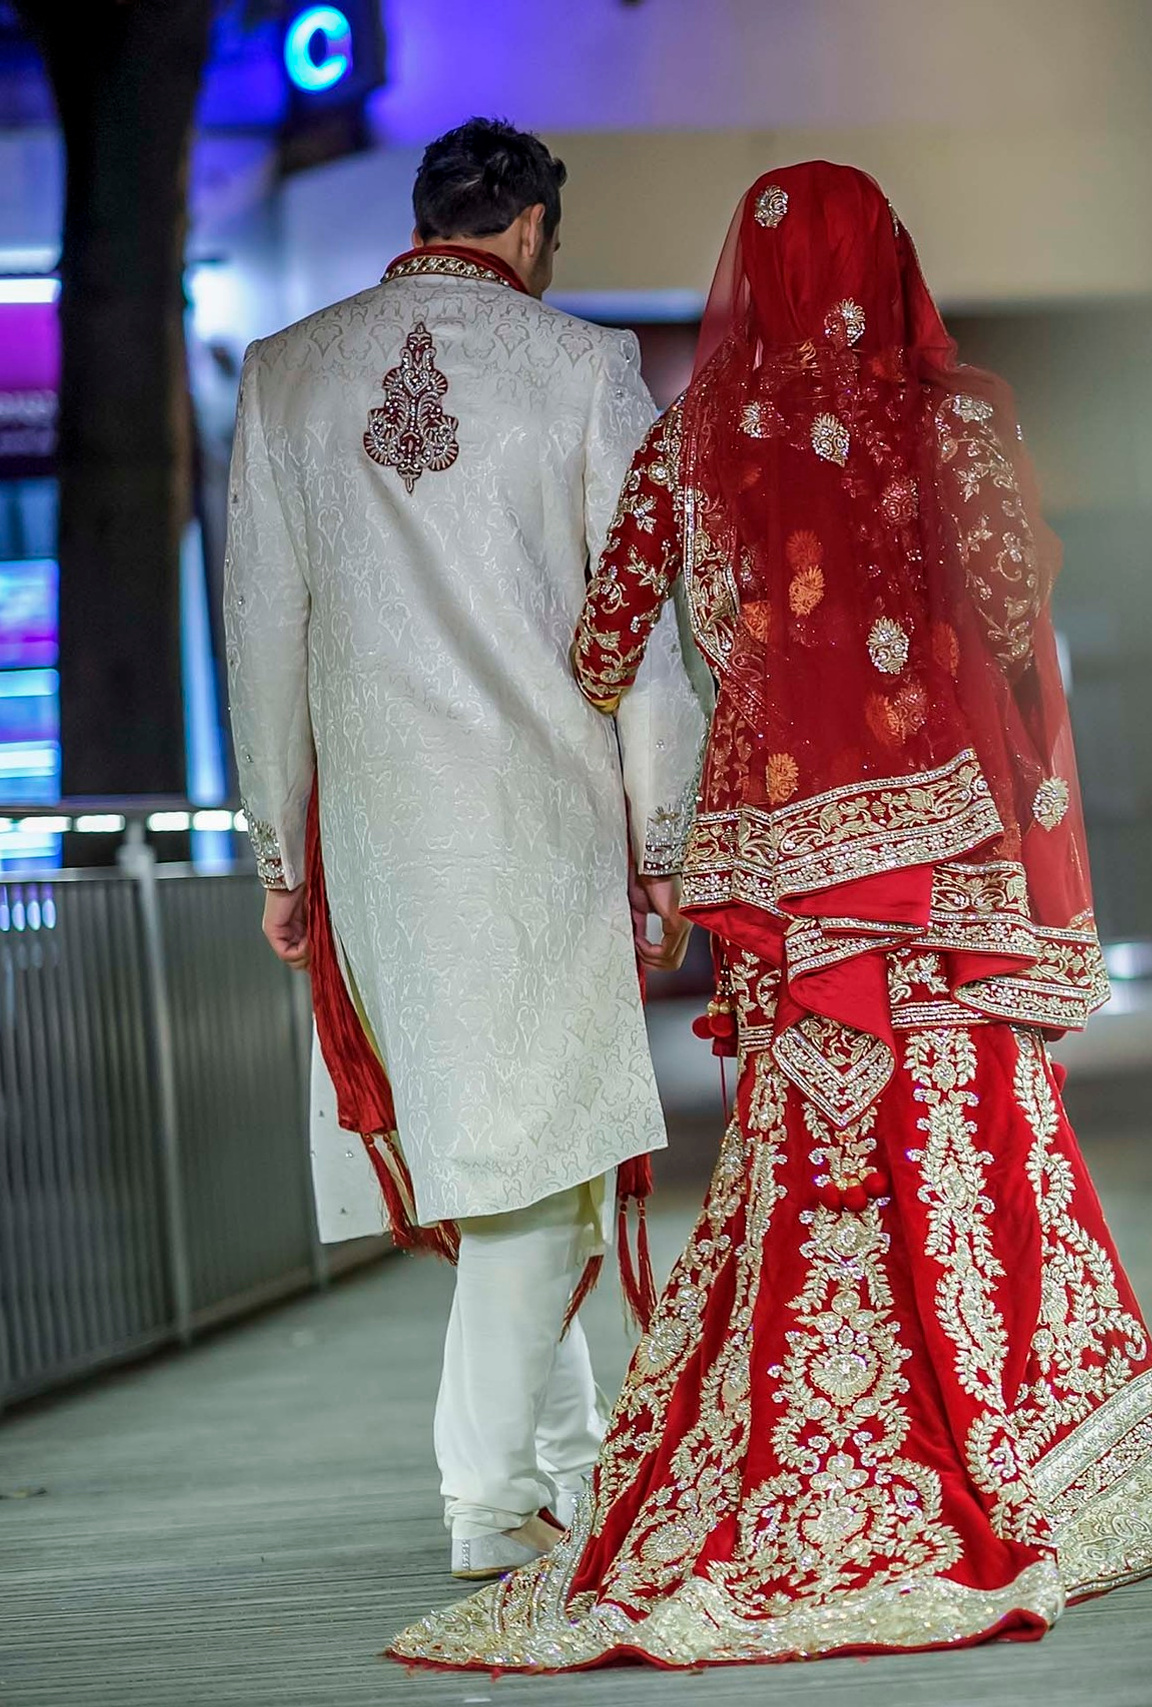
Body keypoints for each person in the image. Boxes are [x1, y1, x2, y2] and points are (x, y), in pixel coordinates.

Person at [388, 162, 1152, 1672]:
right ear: (887, 265)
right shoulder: (955, 420)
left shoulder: (697, 436)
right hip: (942, 874)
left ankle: (792, 1459)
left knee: (805, 1174)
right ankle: (1011, 1454)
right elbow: (1013, 603)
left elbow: (601, 637)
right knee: (963, 1150)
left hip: (778, 880)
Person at [224, 119, 706, 1581]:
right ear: (531, 228)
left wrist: (278, 852)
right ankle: (485, 1498)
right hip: (540, 820)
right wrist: (663, 836)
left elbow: (262, 634)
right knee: (539, 1154)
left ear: (429, 214)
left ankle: (567, 1463)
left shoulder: (287, 369)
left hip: (375, 830)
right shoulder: (581, 370)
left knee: (517, 1163)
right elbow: (645, 640)